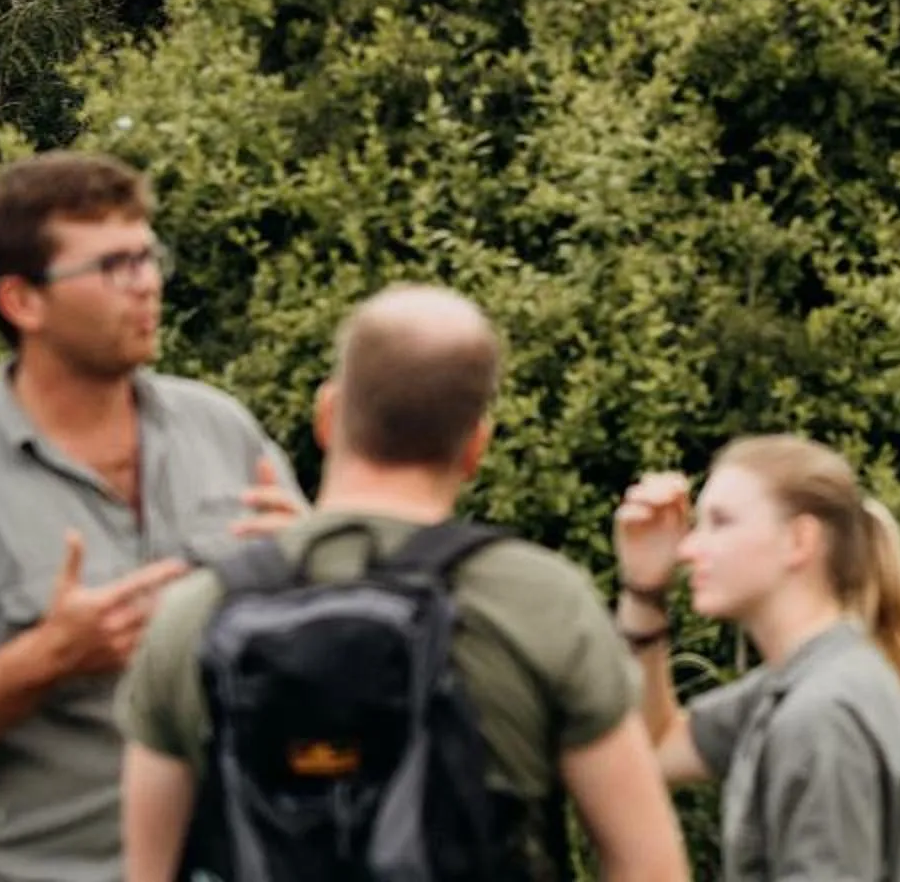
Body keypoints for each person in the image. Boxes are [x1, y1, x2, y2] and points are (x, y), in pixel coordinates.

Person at [0, 151, 305, 882]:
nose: (147, 283)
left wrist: (310, 574)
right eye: (113, 266)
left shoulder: (223, 430)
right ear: (24, 302)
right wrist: (47, 658)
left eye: (148, 257)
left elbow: (321, 638)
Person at [119, 285, 686, 882]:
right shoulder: (541, 602)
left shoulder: (197, 613)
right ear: (476, 445)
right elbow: (649, 866)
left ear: (327, 415)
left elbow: (146, 870)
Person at [613, 436, 900, 881]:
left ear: (799, 540)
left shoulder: (822, 714)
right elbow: (650, 752)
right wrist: (645, 591)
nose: (688, 550)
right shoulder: (805, 682)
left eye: (720, 522)